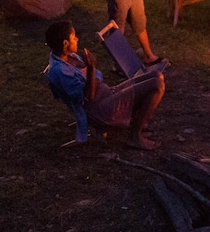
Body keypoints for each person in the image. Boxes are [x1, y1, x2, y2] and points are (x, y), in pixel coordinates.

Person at [43, 20, 164, 150]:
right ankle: (135, 136)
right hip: (99, 109)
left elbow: (92, 81)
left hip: (107, 93)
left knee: (157, 75)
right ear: (65, 43)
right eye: (74, 37)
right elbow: (86, 99)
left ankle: (135, 121)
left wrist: (90, 71)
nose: (77, 39)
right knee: (157, 85)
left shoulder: (68, 56)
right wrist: (90, 69)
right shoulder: (60, 71)